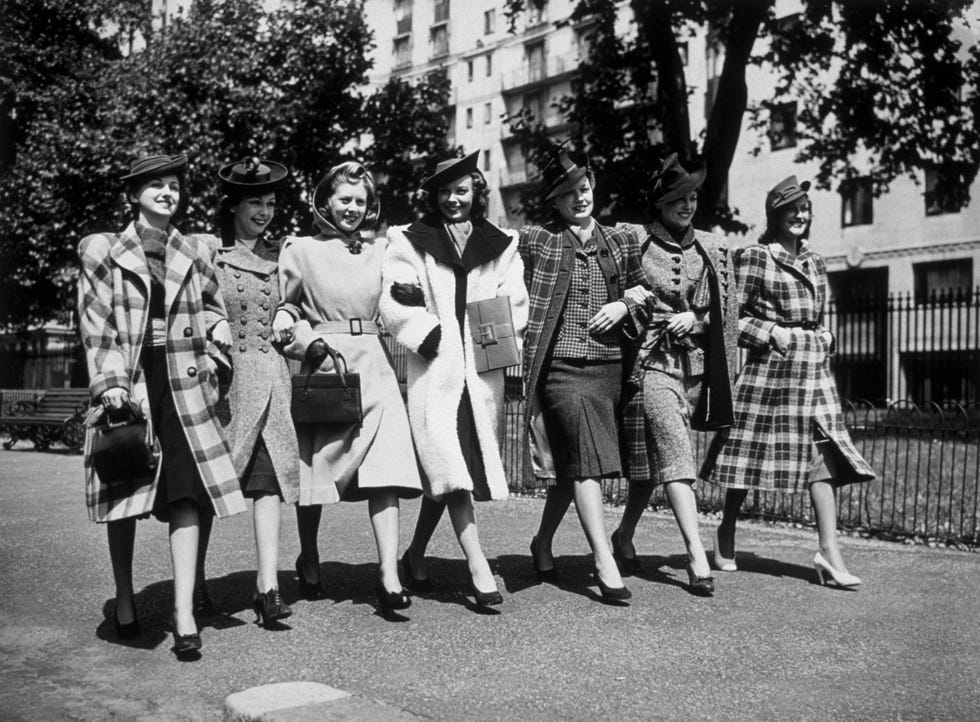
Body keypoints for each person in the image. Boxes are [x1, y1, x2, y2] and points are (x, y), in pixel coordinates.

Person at [78, 154, 245, 658]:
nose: (168, 193)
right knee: (124, 488)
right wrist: (108, 380)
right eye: (156, 186)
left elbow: (216, 307)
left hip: (184, 383)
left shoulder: (194, 250)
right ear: (134, 195)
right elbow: (96, 319)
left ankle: (184, 611)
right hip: (131, 380)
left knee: (187, 495)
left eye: (174, 186)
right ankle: (126, 597)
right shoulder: (103, 248)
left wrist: (217, 342)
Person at [700, 175, 875, 587]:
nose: (801, 215)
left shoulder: (815, 261)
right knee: (747, 459)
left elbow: (816, 314)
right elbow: (729, 318)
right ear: (775, 216)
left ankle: (829, 553)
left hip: (813, 368)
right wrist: (770, 334)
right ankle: (726, 529)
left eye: (805, 209)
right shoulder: (756, 257)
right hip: (770, 373)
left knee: (825, 453)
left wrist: (827, 335)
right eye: (792, 209)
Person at [274, 161, 423, 619]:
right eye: (344, 200)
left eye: (360, 201)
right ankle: (309, 555)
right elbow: (285, 308)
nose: (353, 209)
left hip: (376, 364)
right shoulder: (299, 249)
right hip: (327, 363)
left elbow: (408, 291)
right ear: (325, 202)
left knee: (389, 467)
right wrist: (295, 333)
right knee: (316, 470)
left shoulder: (384, 248)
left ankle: (389, 575)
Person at [380, 151, 528, 607]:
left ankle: (414, 555)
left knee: (447, 473)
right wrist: (428, 333)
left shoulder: (501, 244)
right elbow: (395, 298)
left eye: (461, 190)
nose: (452, 199)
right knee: (451, 467)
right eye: (444, 192)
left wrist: (500, 331)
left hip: (480, 376)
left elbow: (514, 300)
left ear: (477, 193)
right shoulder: (409, 240)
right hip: (437, 369)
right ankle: (478, 566)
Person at [608, 154, 739, 596]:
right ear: (660, 203)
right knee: (677, 453)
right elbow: (614, 280)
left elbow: (725, 313)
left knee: (649, 469)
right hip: (651, 364)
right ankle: (695, 555)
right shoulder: (635, 240)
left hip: (696, 369)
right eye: (678, 198)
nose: (687, 205)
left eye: (693, 197)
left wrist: (697, 322)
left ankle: (623, 535)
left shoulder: (713, 247)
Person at [519, 146, 645, 602]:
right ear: (554, 201)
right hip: (561, 370)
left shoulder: (622, 240)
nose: (580, 198)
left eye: (585, 188)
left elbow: (643, 289)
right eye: (568, 194)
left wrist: (624, 304)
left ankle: (542, 541)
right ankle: (603, 560)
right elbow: (499, 273)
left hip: (610, 368)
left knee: (573, 469)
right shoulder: (538, 240)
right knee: (587, 461)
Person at [204, 157, 300, 626]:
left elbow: (299, 299)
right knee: (206, 486)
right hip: (224, 384)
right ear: (233, 206)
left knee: (268, 484)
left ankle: (269, 588)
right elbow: (192, 304)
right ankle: (195, 581)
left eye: (270, 203)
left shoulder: (281, 256)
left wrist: (290, 314)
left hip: (271, 382)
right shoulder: (209, 255)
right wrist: (214, 320)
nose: (264, 212)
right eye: (255, 203)